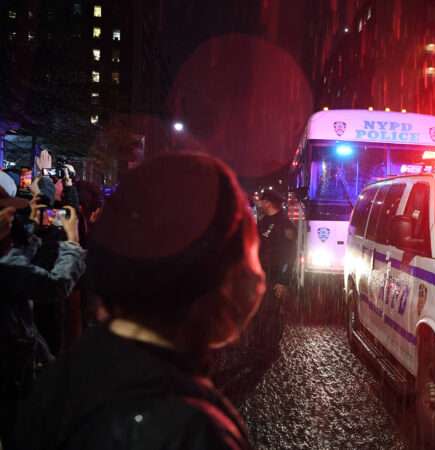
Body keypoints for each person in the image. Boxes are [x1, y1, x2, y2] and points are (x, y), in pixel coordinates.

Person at [14, 153, 264, 450]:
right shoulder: (189, 428)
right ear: (206, 274)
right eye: (247, 252)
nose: (256, 277)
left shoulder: (67, 374)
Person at [0, 171, 86, 449]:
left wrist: (35, 232)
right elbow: (56, 285)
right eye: (6, 212)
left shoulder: (9, 260)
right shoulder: (6, 272)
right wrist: (72, 242)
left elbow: (17, 263)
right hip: (12, 382)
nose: (12, 216)